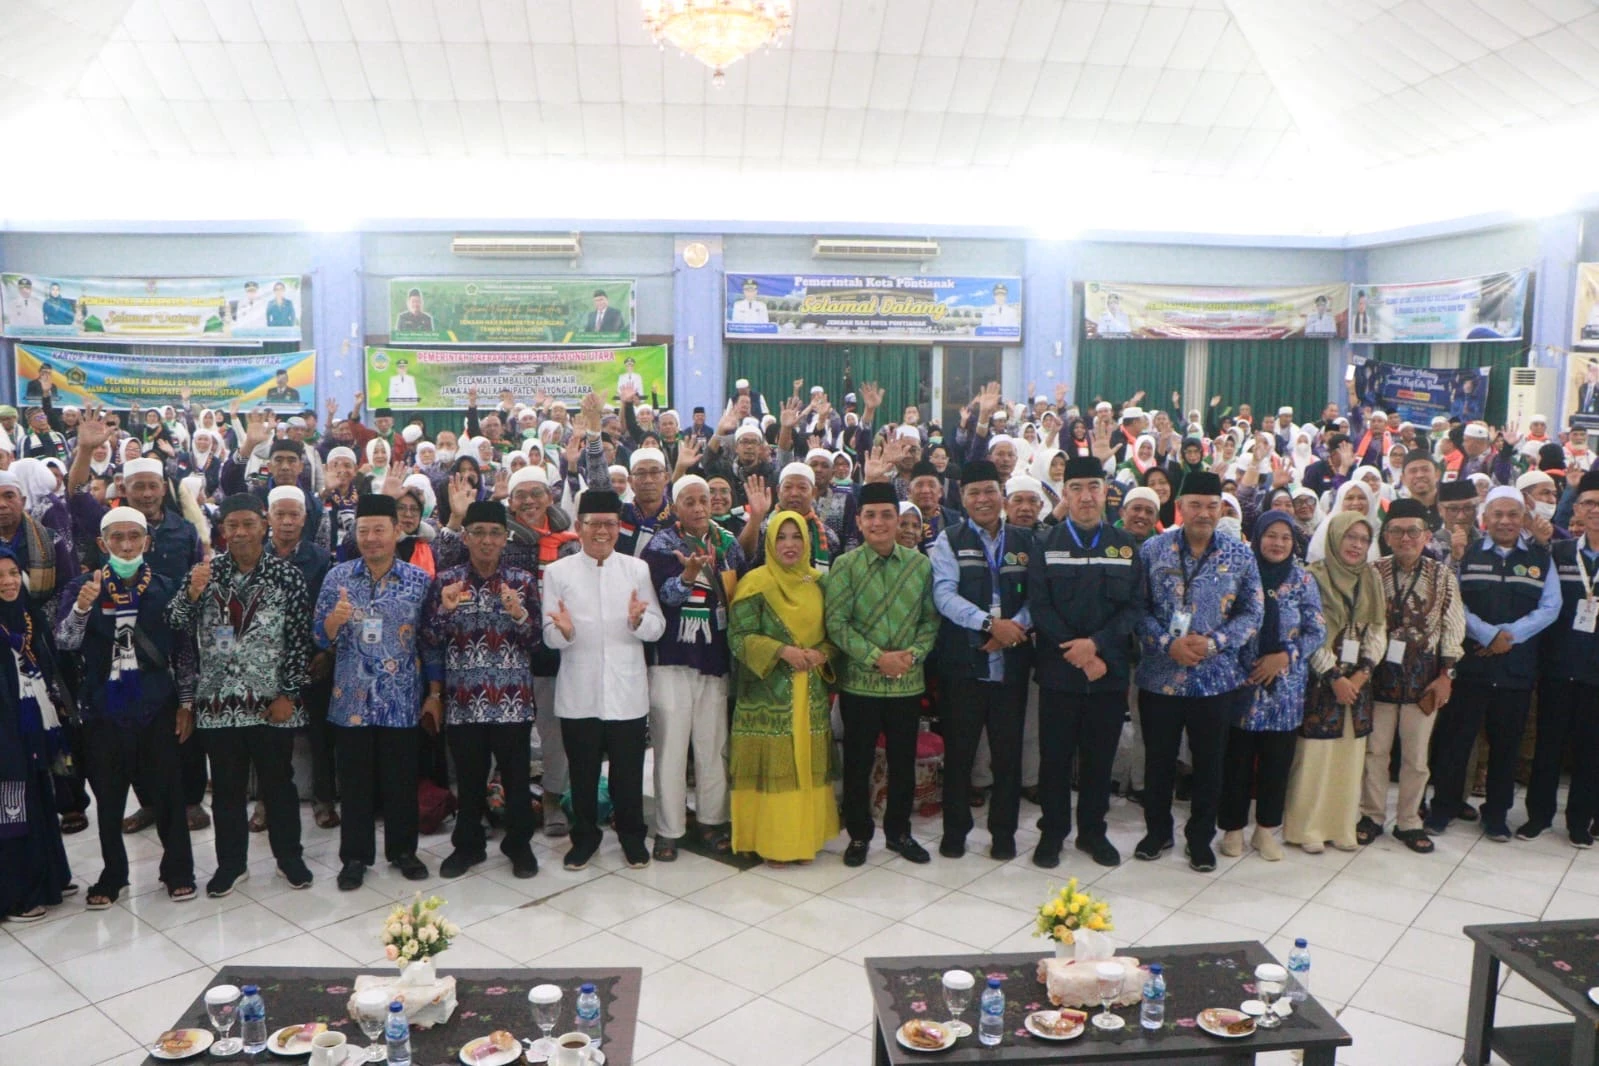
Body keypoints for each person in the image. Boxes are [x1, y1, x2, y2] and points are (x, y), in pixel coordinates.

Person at [168, 495, 314, 896]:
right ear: (223, 531)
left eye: (248, 524)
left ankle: (290, 859)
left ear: (263, 525)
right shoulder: (205, 573)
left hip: (273, 703)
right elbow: (174, 623)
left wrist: (288, 693)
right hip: (218, 704)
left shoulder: (287, 577)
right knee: (228, 789)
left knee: (279, 785)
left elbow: (300, 640)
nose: (240, 533)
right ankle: (231, 865)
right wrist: (191, 595)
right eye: (232, 525)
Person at [1134, 470, 1264, 872]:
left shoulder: (1240, 554)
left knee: (1210, 764)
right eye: (1195, 505)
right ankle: (1157, 832)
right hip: (1161, 676)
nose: (1204, 513)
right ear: (1180, 508)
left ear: (1222, 508)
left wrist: (1213, 644)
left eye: (1212, 506)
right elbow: (1135, 608)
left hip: (1216, 679)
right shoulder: (1153, 550)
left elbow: (1253, 611)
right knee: (1157, 761)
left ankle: (1200, 839)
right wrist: (1165, 643)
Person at [1026, 456, 1144, 868]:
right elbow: (1039, 606)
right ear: (1065, 494)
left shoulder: (1124, 544)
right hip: (1059, 672)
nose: (1085, 496)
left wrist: (1095, 646)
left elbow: (1133, 608)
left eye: (1093, 486)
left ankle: (1092, 833)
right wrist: (1077, 652)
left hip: (1108, 672)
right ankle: (1053, 833)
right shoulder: (1045, 542)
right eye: (1076, 488)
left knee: (1099, 760)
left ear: (1105, 491)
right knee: (1055, 758)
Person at [314, 494, 435, 890]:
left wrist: (434, 693)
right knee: (355, 784)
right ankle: (355, 857)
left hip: (401, 700)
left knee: (401, 780)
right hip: (351, 699)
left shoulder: (419, 581)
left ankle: (403, 851)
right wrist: (335, 619)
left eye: (379, 530)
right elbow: (319, 636)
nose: (371, 538)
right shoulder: (337, 577)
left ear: (397, 532)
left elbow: (430, 642)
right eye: (363, 531)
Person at [541, 490, 665, 871]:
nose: (602, 531)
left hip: (626, 691)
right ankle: (585, 839)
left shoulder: (636, 569)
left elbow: (657, 628)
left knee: (628, 773)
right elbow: (548, 635)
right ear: (578, 527)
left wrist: (636, 622)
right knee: (582, 774)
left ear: (618, 528)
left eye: (610, 524)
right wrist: (563, 630)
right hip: (579, 691)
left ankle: (631, 837)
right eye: (593, 523)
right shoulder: (558, 573)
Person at [1429, 487, 1559, 840]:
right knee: (1457, 743)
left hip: (1516, 669)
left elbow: (1550, 607)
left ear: (1523, 519)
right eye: (1497, 514)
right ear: (1485, 518)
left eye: (1513, 514)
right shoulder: (1466, 554)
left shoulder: (1540, 558)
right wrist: (1488, 635)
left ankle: (1497, 815)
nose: (1505, 521)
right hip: (1471, 667)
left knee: (1506, 747)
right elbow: (1452, 600)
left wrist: (1508, 637)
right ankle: (1443, 807)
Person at [423, 500, 542, 880]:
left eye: (494, 533)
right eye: (479, 533)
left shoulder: (522, 581)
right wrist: (443, 611)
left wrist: (518, 614)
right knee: (470, 780)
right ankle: (468, 846)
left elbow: (537, 641)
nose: (487, 541)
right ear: (466, 536)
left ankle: (518, 845)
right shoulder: (447, 581)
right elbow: (428, 639)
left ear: (505, 538)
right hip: (463, 703)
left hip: (513, 703)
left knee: (516, 779)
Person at [825, 481, 939, 867]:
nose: (878, 522)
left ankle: (899, 833)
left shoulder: (920, 566)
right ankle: (858, 835)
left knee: (902, 763)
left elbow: (929, 621)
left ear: (899, 520)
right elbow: (837, 625)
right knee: (857, 762)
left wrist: (913, 655)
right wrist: (877, 658)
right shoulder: (846, 566)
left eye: (887, 515)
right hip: (860, 685)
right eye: (870, 515)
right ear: (858, 521)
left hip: (907, 684)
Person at [931, 460, 1034, 861]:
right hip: (964, 664)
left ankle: (1004, 833)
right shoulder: (949, 539)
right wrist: (990, 625)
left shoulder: (1025, 542)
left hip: (1011, 665)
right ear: (962, 498)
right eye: (973, 493)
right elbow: (944, 594)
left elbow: (1036, 598)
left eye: (990, 491)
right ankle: (955, 831)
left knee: (1008, 756)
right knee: (960, 753)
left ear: (1001, 494)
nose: (983, 499)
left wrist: (1012, 630)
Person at [642, 476, 746, 861]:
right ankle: (669, 829)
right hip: (671, 660)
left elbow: (741, 596)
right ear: (676, 505)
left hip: (714, 659)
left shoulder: (728, 544)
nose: (700, 507)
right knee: (670, 747)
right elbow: (663, 596)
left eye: (705, 500)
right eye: (690, 501)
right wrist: (687, 576)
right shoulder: (660, 545)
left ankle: (713, 821)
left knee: (713, 744)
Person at [728, 511, 837, 864]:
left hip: (811, 691)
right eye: (781, 537)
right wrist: (782, 651)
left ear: (807, 542)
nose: (789, 545)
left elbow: (835, 634)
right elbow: (738, 637)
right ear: (769, 542)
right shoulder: (755, 582)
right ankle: (773, 841)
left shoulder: (820, 583)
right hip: (767, 692)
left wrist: (821, 654)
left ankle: (804, 839)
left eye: (796, 537)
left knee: (806, 764)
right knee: (775, 764)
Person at [1219, 511, 1324, 862]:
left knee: (1276, 763)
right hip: (1242, 683)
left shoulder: (1303, 580)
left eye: (1285, 537)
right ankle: (1232, 829)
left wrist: (1285, 657)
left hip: (1285, 689)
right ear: (1257, 536)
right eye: (1271, 535)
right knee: (1237, 761)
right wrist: (1244, 663)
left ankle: (1265, 831)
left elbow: (1317, 630)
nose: (1277, 543)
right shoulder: (1240, 574)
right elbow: (1222, 620)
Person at [1361, 498, 1464, 854]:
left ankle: (1409, 821)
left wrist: (1446, 675)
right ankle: (1371, 816)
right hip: (1378, 675)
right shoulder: (1373, 571)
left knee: (1417, 758)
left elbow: (1453, 627)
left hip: (1424, 677)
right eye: (1397, 531)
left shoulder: (1443, 574)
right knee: (1375, 751)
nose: (1406, 538)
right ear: (1386, 535)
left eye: (1413, 531)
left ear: (1426, 535)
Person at [1283, 511, 1385, 853]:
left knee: (1348, 758)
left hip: (1358, 681)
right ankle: (1306, 827)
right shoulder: (1312, 577)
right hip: (1319, 680)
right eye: (1349, 537)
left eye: (1363, 539)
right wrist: (1334, 677)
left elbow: (1378, 629)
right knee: (1314, 758)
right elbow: (1308, 633)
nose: (1356, 545)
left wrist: (1363, 672)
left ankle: (1342, 826)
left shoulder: (1370, 579)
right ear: (1333, 537)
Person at [1522, 469, 1599, 847]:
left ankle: (1579, 822)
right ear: (1578, 510)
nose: (1596, 510)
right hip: (1558, 667)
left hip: (1596, 674)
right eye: (1588, 503)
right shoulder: (1559, 552)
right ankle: (1538, 817)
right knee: (1547, 746)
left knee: (1590, 751)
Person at [0, 545, 72, 921]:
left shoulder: (25, 616)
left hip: (32, 728)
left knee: (40, 801)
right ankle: (17, 896)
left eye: (13, 573)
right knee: (12, 815)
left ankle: (49, 878)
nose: (8, 582)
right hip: (6, 739)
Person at [265, 485, 339, 829]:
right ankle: (267, 802)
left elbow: (328, 611)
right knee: (269, 736)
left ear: (304, 518)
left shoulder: (321, 559)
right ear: (269, 517)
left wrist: (326, 652)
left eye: (293, 514)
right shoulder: (256, 556)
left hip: (312, 660)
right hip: (267, 664)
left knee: (320, 735)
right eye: (280, 514)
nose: (287, 521)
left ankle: (324, 800)